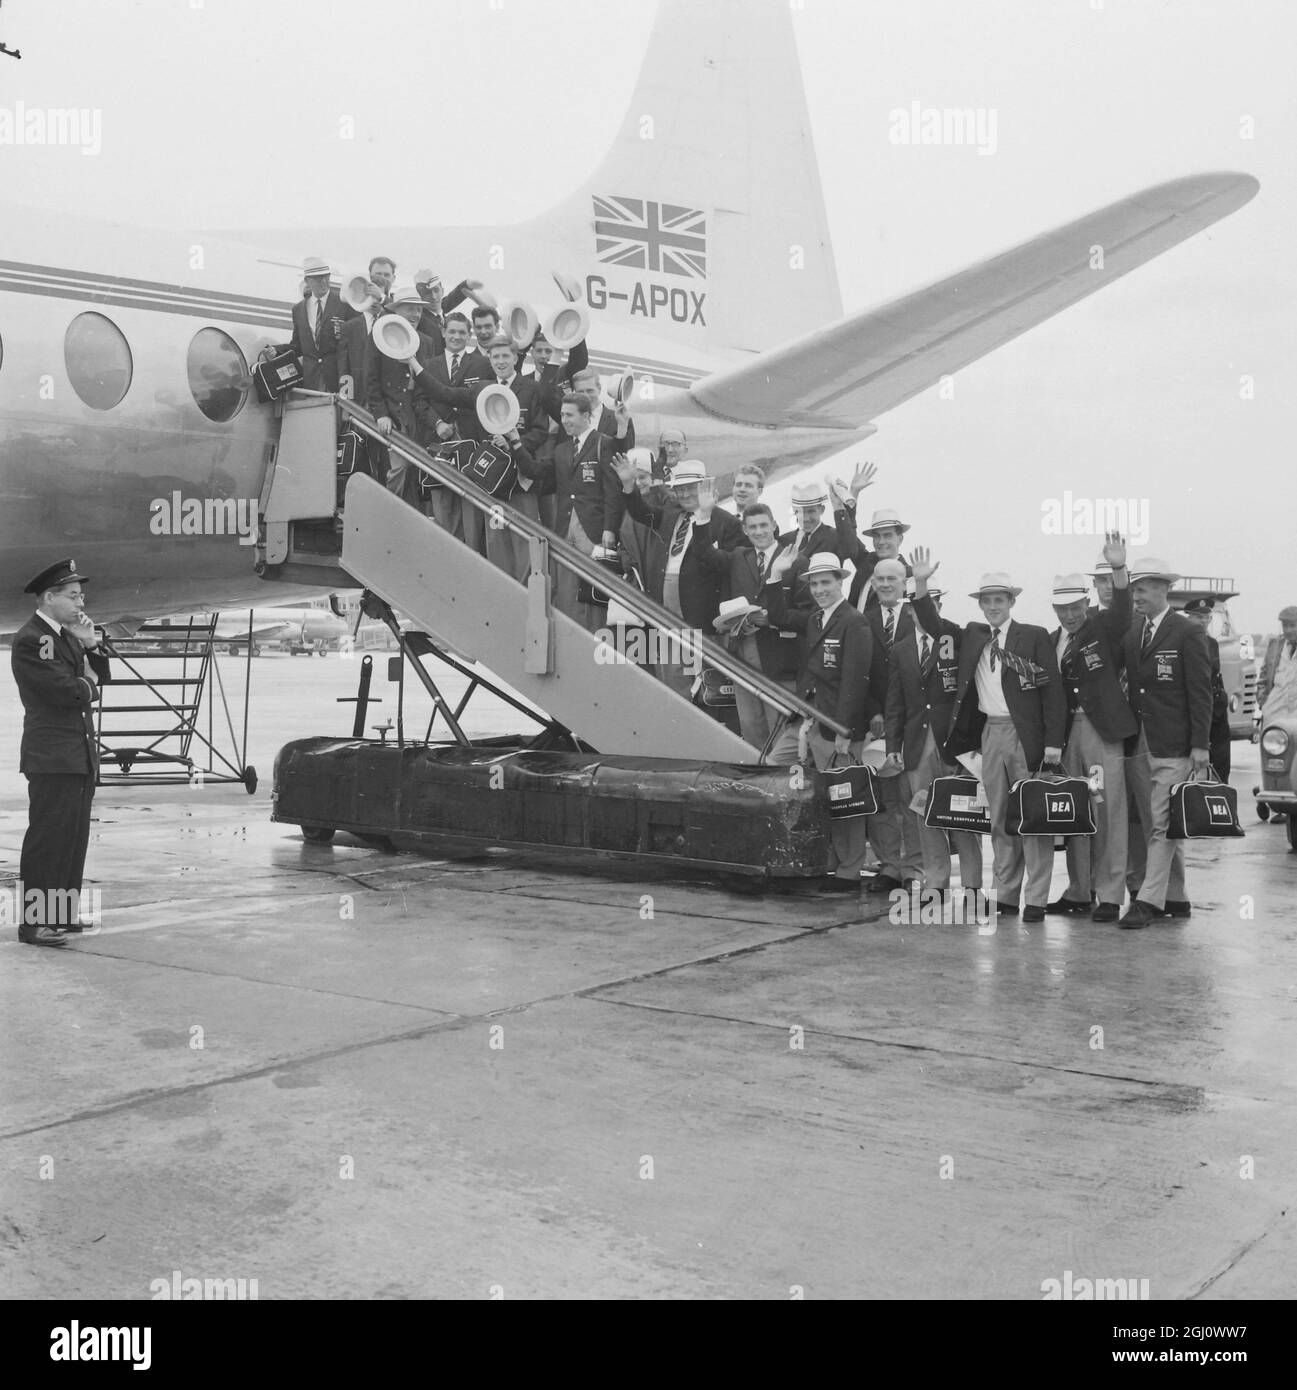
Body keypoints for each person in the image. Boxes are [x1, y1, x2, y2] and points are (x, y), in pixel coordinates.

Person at [914, 565, 1065, 921]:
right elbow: (932, 623)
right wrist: (920, 584)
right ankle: (1008, 895)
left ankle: (1038, 898)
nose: (993, 606)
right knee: (1000, 818)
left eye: (1000, 599)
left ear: (1011, 601)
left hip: (1027, 735)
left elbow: (1053, 692)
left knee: (1032, 818)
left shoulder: (1034, 635)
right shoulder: (972, 636)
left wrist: (1053, 742)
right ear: (980, 604)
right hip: (990, 734)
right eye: (987, 600)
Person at [10, 559, 111, 947]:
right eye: (71, 596)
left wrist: (90, 645)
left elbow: (101, 678)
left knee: (72, 838)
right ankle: (36, 923)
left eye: (80, 595)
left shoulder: (67, 635)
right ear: (48, 598)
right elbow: (69, 692)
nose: (79, 602)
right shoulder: (35, 638)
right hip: (52, 755)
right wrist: (86, 679)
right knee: (49, 838)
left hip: (77, 753)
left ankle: (61, 916)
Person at [1043, 535, 1136, 922]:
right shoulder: (1051, 641)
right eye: (1062, 609)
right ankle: (1080, 890)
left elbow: (1123, 612)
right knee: (1076, 811)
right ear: (1054, 608)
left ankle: (1111, 894)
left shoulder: (1104, 626)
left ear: (1087, 603)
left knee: (1108, 809)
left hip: (1101, 732)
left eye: (1076, 607)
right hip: (1068, 736)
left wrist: (1118, 570)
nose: (1070, 615)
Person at [1118, 557, 1214, 929]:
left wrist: (1200, 745)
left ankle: (1148, 901)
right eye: (1135, 589)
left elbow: (1201, 692)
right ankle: (1176, 897)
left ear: (1163, 590)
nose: (1136, 596)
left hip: (1175, 743)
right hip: (1140, 742)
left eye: (1141, 589)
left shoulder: (1187, 631)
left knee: (1161, 823)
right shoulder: (1133, 633)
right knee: (1158, 822)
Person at [884, 557, 983, 904]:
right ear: (908, 612)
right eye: (916, 608)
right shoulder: (901, 649)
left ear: (939, 603)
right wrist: (892, 745)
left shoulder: (956, 638)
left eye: (932, 603)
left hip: (953, 743)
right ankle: (936, 883)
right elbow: (895, 703)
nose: (923, 612)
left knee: (962, 815)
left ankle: (972, 885)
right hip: (916, 743)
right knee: (925, 815)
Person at [412, 335, 549, 581]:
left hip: (521, 478)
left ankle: (526, 592)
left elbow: (541, 431)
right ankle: (503, 590)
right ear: (489, 359)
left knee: (524, 538)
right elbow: (443, 393)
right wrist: (413, 363)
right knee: (496, 539)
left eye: (505, 356)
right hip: (492, 480)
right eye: (495, 356)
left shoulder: (531, 389)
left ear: (516, 358)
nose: (500, 361)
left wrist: (515, 444)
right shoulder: (480, 389)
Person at [777, 552, 873, 893]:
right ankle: (830, 859)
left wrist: (845, 729)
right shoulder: (815, 619)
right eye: (814, 584)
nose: (819, 589)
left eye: (825, 583)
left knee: (844, 794)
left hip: (837, 723)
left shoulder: (854, 621)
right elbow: (779, 619)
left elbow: (855, 679)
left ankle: (849, 870)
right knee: (790, 774)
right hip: (811, 717)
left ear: (840, 582)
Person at [618, 458, 743, 700]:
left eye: (690, 487)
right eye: (679, 488)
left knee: (698, 685)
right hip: (665, 610)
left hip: (700, 618)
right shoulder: (671, 513)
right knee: (669, 681)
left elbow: (726, 566)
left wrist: (704, 520)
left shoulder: (726, 522)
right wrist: (628, 486)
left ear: (704, 487)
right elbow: (641, 513)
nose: (684, 493)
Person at [523, 393, 625, 632]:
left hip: (594, 530)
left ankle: (596, 639)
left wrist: (610, 529)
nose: (564, 420)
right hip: (565, 528)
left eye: (569, 415)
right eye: (562, 415)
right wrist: (516, 445)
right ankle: (570, 637)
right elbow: (535, 470)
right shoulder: (561, 449)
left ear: (586, 416)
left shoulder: (604, 443)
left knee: (594, 592)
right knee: (567, 591)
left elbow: (613, 492)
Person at [711, 502, 799, 751]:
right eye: (753, 527)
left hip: (780, 656)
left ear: (773, 524)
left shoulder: (794, 558)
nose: (759, 531)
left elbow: (805, 611)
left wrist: (772, 618)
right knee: (750, 724)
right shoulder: (739, 556)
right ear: (745, 530)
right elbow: (706, 557)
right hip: (744, 649)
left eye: (763, 525)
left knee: (780, 727)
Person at [363, 286, 438, 501]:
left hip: (420, 417)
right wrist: (381, 413)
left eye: (419, 310)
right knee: (400, 467)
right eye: (410, 309)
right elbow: (371, 378)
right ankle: (388, 508)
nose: (415, 315)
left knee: (416, 471)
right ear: (397, 311)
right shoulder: (379, 336)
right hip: (395, 415)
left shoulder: (426, 342)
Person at [276, 257, 344, 392]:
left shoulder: (343, 304)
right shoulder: (298, 310)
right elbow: (298, 346)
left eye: (325, 277)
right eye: (317, 279)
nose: (323, 282)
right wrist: (276, 350)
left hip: (338, 379)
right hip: (311, 379)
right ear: (307, 281)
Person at [1182, 598, 1232, 780]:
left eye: (1206, 617)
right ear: (1188, 618)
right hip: (1197, 708)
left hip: (1216, 708)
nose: (1203, 621)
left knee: (1221, 761)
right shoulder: (1183, 641)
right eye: (1197, 617)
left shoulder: (1212, 643)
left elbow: (1216, 676)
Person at [1257, 605, 1297, 723]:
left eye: (1293, 626)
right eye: (1285, 626)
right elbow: (1263, 678)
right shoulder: (1275, 645)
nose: (1288, 630)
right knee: (1270, 740)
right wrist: (1264, 703)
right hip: (1274, 714)